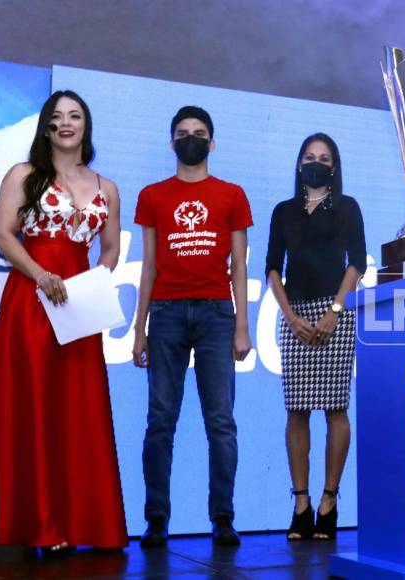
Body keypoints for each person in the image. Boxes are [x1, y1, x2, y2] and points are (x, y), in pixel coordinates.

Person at [0, 90, 127, 552]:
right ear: (45, 126)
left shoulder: (108, 187)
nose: (66, 123)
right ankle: (37, 524)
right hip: (31, 298)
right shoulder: (24, 175)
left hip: (77, 308)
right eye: (57, 116)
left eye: (75, 115)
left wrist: (93, 286)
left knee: (77, 411)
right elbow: (4, 234)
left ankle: (82, 524)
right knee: (35, 405)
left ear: (86, 125)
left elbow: (110, 250)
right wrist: (41, 276)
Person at [132, 106, 253, 547]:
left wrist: (243, 323)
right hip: (164, 314)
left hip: (217, 315)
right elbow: (147, 266)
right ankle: (157, 519)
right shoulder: (152, 195)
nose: (191, 139)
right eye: (182, 133)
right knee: (160, 421)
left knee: (220, 421)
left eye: (199, 133)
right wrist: (138, 328)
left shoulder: (233, 194)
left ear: (212, 143)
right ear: (171, 143)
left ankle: (223, 517)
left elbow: (239, 264)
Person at [265, 133, 366, 541]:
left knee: (335, 408)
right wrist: (288, 315)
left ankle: (329, 501)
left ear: (334, 167)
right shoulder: (283, 210)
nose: (316, 163)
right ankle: (301, 504)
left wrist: (335, 311)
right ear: (299, 163)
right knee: (297, 410)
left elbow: (356, 262)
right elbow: (273, 267)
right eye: (309, 157)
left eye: (324, 158)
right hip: (295, 315)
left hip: (336, 312)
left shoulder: (346, 207)